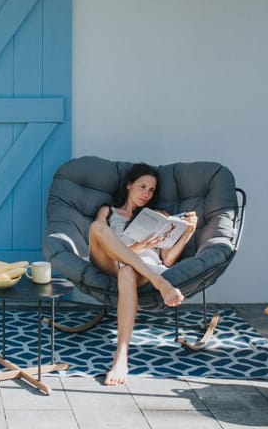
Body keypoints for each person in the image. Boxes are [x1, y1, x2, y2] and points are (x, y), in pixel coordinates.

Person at [87, 162, 198, 386]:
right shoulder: (108, 211)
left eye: (151, 190)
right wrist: (140, 246)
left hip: (143, 270)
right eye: (142, 186)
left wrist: (189, 231)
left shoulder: (160, 216)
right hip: (111, 261)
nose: (146, 194)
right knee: (97, 228)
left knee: (127, 271)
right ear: (129, 185)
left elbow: (167, 259)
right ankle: (161, 283)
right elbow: (102, 241)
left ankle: (121, 356)